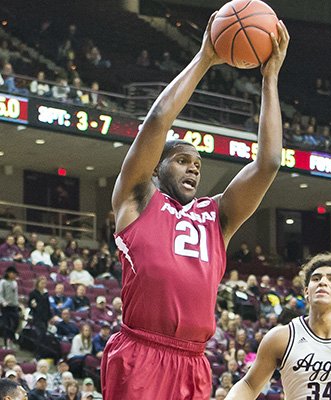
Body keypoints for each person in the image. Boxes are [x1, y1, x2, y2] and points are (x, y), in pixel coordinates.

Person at [101, 14, 289, 400]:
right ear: (157, 167)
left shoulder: (216, 217)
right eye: (182, 160)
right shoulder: (137, 198)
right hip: (141, 350)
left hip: (193, 361)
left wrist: (269, 79)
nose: (193, 168)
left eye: (198, 165)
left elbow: (268, 163)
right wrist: (205, 57)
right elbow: (156, 121)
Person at [225, 253, 331, 399]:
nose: (323, 282)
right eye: (316, 278)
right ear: (306, 292)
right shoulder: (281, 338)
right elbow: (249, 385)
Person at [0, 266, 20, 349]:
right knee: (6, 324)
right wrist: (3, 302)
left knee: (16, 322)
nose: (14, 275)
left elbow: (15, 294)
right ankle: (5, 342)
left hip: (14, 306)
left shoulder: (15, 283)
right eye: (13, 273)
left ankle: (11, 338)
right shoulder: (3, 282)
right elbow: (0, 294)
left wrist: (18, 303)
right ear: (8, 273)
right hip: (6, 307)